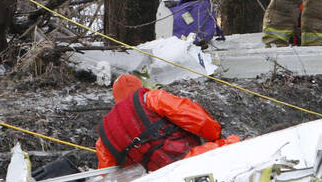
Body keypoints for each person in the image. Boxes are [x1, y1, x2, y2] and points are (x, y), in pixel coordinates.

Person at [94, 73, 238, 172]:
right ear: (140, 86)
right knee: (236, 142)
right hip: (190, 160)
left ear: (115, 97)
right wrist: (216, 136)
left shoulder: (104, 137)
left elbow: (108, 175)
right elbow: (196, 119)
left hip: (157, 180)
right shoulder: (152, 98)